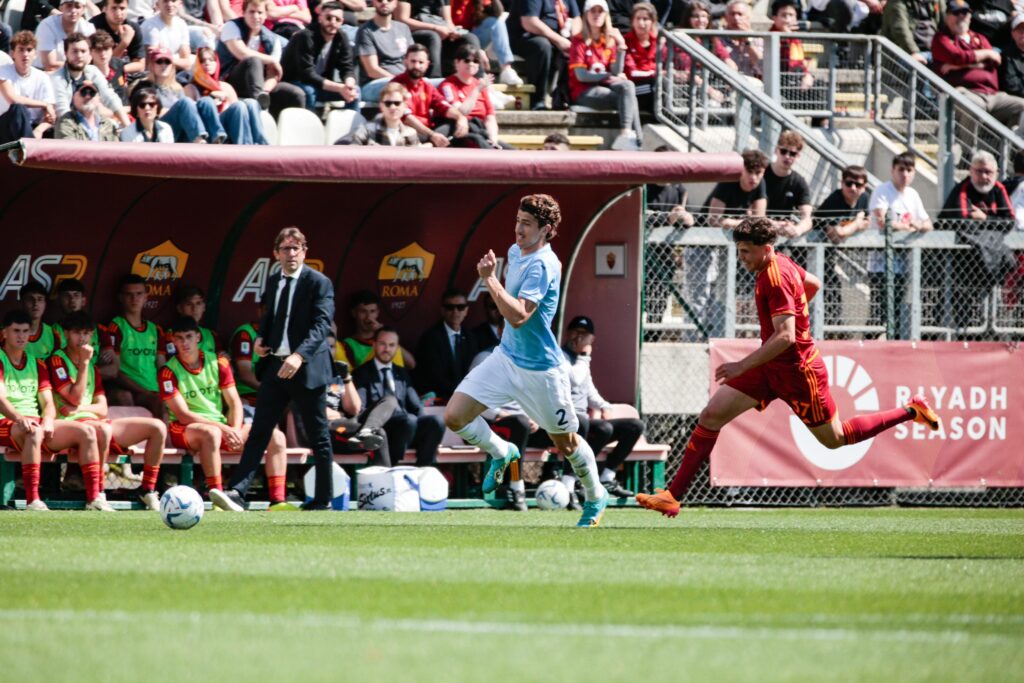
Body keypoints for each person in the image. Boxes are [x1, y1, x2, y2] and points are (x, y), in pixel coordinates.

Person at [636, 217, 943, 517]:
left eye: (746, 251)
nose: (741, 257)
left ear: (766, 249)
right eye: (739, 250)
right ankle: (672, 496)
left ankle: (911, 410)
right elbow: (814, 284)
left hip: (799, 373)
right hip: (771, 366)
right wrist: (796, 310)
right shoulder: (778, 263)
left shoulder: (775, 277)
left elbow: (785, 336)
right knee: (712, 415)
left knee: (834, 439)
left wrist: (742, 365)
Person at [443, 194, 611, 527]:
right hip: (505, 358)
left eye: (527, 224)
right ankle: (503, 452)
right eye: (517, 221)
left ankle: (595, 495)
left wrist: (489, 279)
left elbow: (519, 316)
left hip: (541, 371)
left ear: (546, 230)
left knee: (565, 443)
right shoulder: (517, 251)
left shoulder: (544, 264)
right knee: (455, 416)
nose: (518, 229)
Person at [223, 226, 337, 510]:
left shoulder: (318, 282)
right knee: (260, 429)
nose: (291, 254)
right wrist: (263, 340)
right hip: (276, 365)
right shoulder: (274, 281)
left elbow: (322, 325)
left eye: (296, 248)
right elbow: (274, 318)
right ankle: (238, 492)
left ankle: (322, 499)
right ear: (276, 254)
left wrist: (299, 356)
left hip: (306, 367)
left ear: (305, 251)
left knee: (318, 435)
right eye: (285, 249)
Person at [159, 316, 289, 511]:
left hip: (221, 428)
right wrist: (224, 429)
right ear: (172, 340)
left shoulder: (219, 363)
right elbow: (184, 415)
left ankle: (278, 501)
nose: (184, 342)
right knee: (211, 433)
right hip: (185, 429)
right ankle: (218, 498)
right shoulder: (167, 372)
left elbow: (234, 401)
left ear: (198, 338)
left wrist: (235, 430)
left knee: (275, 435)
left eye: (188, 336)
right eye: (179, 338)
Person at [48, 311, 167, 511]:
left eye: (87, 334)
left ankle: (147, 489)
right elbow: (74, 396)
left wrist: (83, 407)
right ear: (67, 334)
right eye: (78, 333)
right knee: (100, 429)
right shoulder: (57, 360)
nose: (83, 339)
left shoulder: (92, 367)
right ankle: (97, 494)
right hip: (69, 425)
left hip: (95, 422)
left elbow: (102, 408)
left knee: (157, 427)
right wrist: (85, 364)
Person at [0, 310, 102, 512]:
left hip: (34, 424)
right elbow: (1, 399)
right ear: (4, 334)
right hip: (6, 422)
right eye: (16, 331)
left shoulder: (37, 363)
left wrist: (48, 419)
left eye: (25, 331)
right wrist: (20, 418)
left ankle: (95, 499)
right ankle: (33, 501)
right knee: (33, 431)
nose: (21, 336)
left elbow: (48, 403)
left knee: (88, 432)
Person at [561, 315, 640, 498]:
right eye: (575, 332)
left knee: (634, 426)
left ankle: (607, 477)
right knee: (601, 428)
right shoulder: (561, 356)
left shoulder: (582, 361)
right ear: (567, 333)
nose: (578, 338)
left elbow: (589, 392)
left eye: (583, 334)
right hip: (563, 421)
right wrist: (584, 357)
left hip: (582, 422)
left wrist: (605, 406)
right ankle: (578, 478)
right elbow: (574, 379)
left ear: (592, 339)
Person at [938, 150, 1015, 332]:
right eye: (979, 171)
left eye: (988, 172)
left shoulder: (998, 189)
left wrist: (985, 219)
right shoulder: (962, 189)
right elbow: (962, 222)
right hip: (960, 266)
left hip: (991, 266)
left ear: (995, 174)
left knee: (988, 316)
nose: (984, 176)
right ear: (971, 171)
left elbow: (1009, 221)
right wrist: (992, 224)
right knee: (960, 315)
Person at [352, 327, 445, 466]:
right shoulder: (361, 373)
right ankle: (394, 466)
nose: (387, 349)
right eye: (383, 344)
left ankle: (423, 468)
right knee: (410, 420)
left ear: (397, 348)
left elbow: (415, 406)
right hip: (382, 430)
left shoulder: (401, 373)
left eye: (391, 345)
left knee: (436, 422)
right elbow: (361, 410)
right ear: (374, 344)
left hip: (407, 428)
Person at [932, 0, 1024, 132]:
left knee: (1022, 106)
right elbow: (957, 56)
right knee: (974, 106)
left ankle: (1012, 148)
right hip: (965, 92)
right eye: (956, 13)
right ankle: (968, 150)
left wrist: (957, 66)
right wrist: (984, 55)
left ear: (970, 17)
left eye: (965, 13)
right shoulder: (941, 38)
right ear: (947, 16)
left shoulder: (979, 38)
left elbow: (994, 60)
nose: (961, 17)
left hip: (993, 94)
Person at [867, 151, 932, 337]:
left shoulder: (913, 194)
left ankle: (891, 347)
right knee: (879, 315)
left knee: (897, 313)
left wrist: (916, 225)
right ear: (892, 170)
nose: (905, 174)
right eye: (901, 169)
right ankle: (870, 345)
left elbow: (928, 224)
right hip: (881, 266)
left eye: (909, 170)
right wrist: (909, 227)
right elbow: (882, 221)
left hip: (904, 267)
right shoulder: (882, 191)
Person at [569, 0, 643, 151]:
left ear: (606, 15)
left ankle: (627, 135)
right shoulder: (578, 41)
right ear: (586, 15)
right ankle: (638, 141)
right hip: (583, 91)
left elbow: (616, 71)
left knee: (628, 87)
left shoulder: (609, 41)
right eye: (593, 11)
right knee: (629, 99)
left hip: (604, 88)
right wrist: (607, 76)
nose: (596, 15)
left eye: (600, 11)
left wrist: (621, 45)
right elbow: (581, 76)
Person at [217, 0, 307, 115]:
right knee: (253, 61)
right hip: (231, 81)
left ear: (265, 15)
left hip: (260, 85)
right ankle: (260, 112)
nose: (256, 16)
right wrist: (271, 59)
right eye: (251, 12)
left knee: (296, 94)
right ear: (243, 13)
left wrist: (265, 91)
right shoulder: (232, 27)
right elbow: (241, 53)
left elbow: (274, 74)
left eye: (260, 12)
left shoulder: (272, 39)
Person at [814, 165, 871, 325]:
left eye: (858, 185)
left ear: (864, 187)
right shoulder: (835, 199)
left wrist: (856, 224)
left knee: (833, 291)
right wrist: (857, 223)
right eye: (848, 183)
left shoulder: (864, 198)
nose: (853, 188)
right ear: (842, 183)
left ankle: (831, 328)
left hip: (830, 256)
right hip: (812, 254)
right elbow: (836, 234)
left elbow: (869, 222)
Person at [392, 43, 477, 147]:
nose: (417, 66)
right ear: (406, 62)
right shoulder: (396, 85)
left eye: (421, 62)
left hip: (428, 132)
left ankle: (430, 146)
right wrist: (432, 135)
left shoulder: (427, 86)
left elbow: (443, 107)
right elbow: (406, 117)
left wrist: (461, 118)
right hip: (407, 131)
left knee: (456, 124)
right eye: (413, 61)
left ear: (427, 64)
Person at [106, 273, 167, 416]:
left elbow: (162, 366)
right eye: (129, 295)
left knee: (164, 403)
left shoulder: (155, 329)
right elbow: (116, 372)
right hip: (132, 389)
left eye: (139, 294)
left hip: (154, 389)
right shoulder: (116, 326)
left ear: (146, 297)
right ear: (121, 298)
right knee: (127, 397)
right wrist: (145, 392)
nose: (134, 299)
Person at [139, 45, 228, 142]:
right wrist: (179, 108)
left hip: (180, 131)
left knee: (206, 101)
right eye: (159, 61)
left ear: (172, 66)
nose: (163, 65)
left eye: (167, 62)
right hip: (158, 129)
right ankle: (198, 140)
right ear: (152, 65)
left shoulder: (177, 88)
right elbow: (145, 111)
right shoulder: (144, 86)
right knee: (185, 103)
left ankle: (217, 139)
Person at [281, 2, 359, 111]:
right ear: (320, 18)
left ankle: (352, 127)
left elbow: (347, 67)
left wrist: (349, 85)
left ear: (342, 21)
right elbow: (307, 74)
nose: (333, 22)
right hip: (294, 82)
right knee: (309, 91)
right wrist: (339, 87)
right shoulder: (305, 36)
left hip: (319, 84)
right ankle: (310, 126)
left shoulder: (341, 37)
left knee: (355, 92)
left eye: (337, 19)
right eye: (328, 18)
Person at [185, 46, 269, 144]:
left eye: (211, 60)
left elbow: (240, 115)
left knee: (252, 103)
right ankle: (244, 148)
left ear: (217, 64)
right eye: (203, 61)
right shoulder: (190, 88)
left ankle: (262, 144)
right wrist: (210, 99)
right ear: (197, 65)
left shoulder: (225, 87)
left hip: (229, 126)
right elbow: (191, 117)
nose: (207, 63)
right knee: (238, 106)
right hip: (210, 130)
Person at [508, 0, 581, 109]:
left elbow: (577, 18)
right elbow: (529, 21)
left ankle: (565, 98)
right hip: (525, 37)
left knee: (579, 48)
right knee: (542, 46)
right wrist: (559, 40)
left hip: (557, 38)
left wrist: (574, 40)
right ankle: (538, 100)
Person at [50, 32, 131, 127]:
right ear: (66, 53)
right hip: (68, 128)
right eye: (74, 51)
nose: (79, 55)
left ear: (89, 53)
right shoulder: (57, 78)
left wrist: (128, 127)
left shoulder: (93, 71)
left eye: (83, 51)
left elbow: (110, 98)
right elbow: (63, 111)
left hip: (93, 125)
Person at [414, 287, 478, 402]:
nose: (455, 311)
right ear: (442, 310)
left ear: (466, 311)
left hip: (468, 398)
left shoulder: (471, 337)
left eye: (460, 307)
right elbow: (433, 376)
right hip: (441, 399)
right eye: (450, 307)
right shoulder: (430, 338)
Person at [395, 0, 481, 78]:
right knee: (433, 37)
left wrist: (452, 32)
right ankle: (435, 79)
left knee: (470, 38)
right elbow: (402, 19)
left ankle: (478, 80)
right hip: (414, 31)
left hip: (439, 28)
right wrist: (434, 28)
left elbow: (448, 21)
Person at [439, 44, 502, 148]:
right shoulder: (447, 85)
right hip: (459, 131)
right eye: (467, 60)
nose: (471, 64)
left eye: (476, 61)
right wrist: (477, 90)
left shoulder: (480, 85)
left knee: (509, 150)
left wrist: (493, 138)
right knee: (478, 141)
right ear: (456, 62)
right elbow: (462, 112)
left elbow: (490, 117)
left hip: (481, 130)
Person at [450, 0, 525, 86]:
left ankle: (506, 69)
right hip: (453, 39)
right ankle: (482, 81)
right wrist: (478, 50)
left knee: (496, 22)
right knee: (471, 38)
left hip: (472, 36)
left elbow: (497, 11)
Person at [0, 31, 57, 142]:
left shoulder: (42, 77)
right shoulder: (2, 72)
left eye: (29, 50)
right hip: (5, 126)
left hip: (32, 127)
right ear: (12, 54)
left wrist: (39, 130)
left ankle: (28, 146)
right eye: (21, 49)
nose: (25, 54)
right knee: (18, 109)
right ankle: (29, 150)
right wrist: (44, 104)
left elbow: (51, 114)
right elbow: (13, 99)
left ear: (35, 54)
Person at [356, 0, 415, 104]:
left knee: (436, 84)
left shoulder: (403, 28)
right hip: (375, 83)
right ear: (374, 2)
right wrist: (400, 81)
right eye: (379, 0)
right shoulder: (365, 31)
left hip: (404, 81)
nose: (384, 2)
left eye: (389, 0)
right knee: (403, 90)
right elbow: (372, 70)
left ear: (396, 3)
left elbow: (412, 60)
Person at [337, 289, 415, 368]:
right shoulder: (347, 344)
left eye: (372, 311)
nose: (368, 317)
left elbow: (411, 364)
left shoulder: (387, 338)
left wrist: (384, 333)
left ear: (377, 313)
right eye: (363, 311)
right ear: (354, 313)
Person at [764, 129, 813, 238]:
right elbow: (752, 213)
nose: (787, 156)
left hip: (783, 233)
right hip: (759, 230)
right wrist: (774, 224)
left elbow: (807, 217)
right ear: (776, 150)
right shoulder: (761, 174)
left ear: (798, 156)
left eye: (792, 153)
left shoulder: (799, 181)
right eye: (783, 151)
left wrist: (798, 229)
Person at [339, 80, 420, 144]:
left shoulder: (411, 134)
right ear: (381, 106)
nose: (392, 107)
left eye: (397, 103)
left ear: (405, 106)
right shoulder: (366, 131)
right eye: (388, 103)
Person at [706, 147, 768, 228]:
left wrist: (736, 223)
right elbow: (713, 220)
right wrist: (747, 222)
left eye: (758, 173)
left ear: (763, 172)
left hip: (739, 231)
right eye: (749, 171)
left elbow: (759, 219)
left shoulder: (760, 183)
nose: (753, 177)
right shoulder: (728, 181)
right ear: (741, 169)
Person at [34, 0, 96, 71]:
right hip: (44, 71)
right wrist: (77, 65)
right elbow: (49, 64)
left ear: (83, 10)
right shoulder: (47, 26)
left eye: (77, 6)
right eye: (69, 6)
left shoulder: (89, 28)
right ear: (61, 8)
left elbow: (90, 57)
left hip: (76, 72)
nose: (73, 10)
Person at [622, 2, 661, 112]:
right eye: (638, 18)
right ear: (632, 21)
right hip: (634, 87)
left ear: (653, 22)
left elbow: (664, 68)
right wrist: (654, 73)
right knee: (656, 85)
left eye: (645, 19)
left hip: (653, 86)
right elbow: (632, 72)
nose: (641, 23)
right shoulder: (626, 42)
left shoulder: (659, 42)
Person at [90, 0, 146, 75]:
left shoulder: (133, 28)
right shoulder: (94, 27)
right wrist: (124, 43)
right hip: (100, 75)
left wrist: (120, 70)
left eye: (122, 8)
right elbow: (103, 63)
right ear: (105, 9)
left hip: (126, 74)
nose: (118, 13)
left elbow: (140, 65)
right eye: (114, 8)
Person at [139, 0, 194, 71]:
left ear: (180, 4)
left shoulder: (181, 24)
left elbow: (187, 62)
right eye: (165, 1)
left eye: (173, 1)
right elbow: (151, 63)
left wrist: (166, 57)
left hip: (174, 70)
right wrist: (176, 59)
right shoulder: (150, 26)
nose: (170, 4)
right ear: (158, 5)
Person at [721, 0, 763, 81]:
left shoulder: (757, 39)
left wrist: (747, 41)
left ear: (748, 17)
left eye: (740, 14)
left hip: (752, 87)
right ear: (726, 17)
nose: (736, 18)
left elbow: (762, 68)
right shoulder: (718, 39)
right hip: (724, 84)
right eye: (732, 14)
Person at [19, 281, 60, 359]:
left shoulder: (53, 335)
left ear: (45, 304)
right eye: (30, 299)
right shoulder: (6, 333)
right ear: (21, 303)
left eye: (40, 299)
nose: (35, 303)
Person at [89, 31, 130, 106]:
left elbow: (124, 90)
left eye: (106, 49)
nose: (103, 54)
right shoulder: (87, 73)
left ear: (111, 50)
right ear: (90, 51)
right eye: (98, 50)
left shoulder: (119, 64)